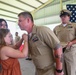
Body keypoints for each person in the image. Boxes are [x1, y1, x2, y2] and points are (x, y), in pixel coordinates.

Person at [54, 9, 76, 75]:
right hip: (60, 52)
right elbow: (53, 40)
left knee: (71, 70)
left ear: (69, 17)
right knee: (61, 70)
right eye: (61, 16)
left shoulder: (74, 26)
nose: (63, 18)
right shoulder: (56, 28)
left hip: (70, 51)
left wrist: (72, 42)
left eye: (64, 16)